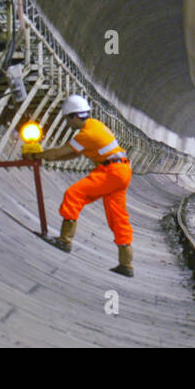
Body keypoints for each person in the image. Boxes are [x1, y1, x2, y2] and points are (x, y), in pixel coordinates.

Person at [39, 94, 134, 277]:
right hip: (122, 171)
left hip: (111, 172)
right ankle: (126, 264)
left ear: (74, 116)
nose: (68, 123)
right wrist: (48, 156)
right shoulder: (96, 126)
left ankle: (65, 240)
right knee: (118, 216)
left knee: (74, 194)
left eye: (67, 119)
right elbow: (74, 154)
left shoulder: (86, 134)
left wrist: (40, 155)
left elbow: (62, 151)